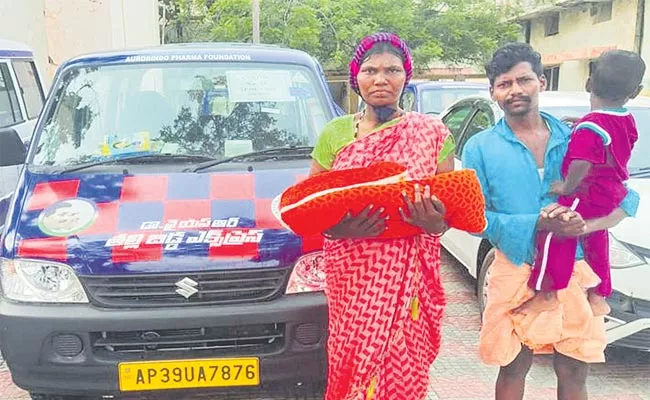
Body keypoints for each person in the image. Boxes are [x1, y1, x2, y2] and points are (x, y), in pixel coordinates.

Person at [461, 42, 640, 400]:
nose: (515, 90)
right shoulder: (480, 148)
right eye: (504, 83)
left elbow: (621, 193)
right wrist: (537, 224)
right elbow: (474, 218)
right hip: (514, 268)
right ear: (492, 92)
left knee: (574, 368)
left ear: (541, 81)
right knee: (513, 366)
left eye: (524, 79)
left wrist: (584, 226)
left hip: (575, 270)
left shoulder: (575, 136)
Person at [310, 32, 455, 400]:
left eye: (392, 70)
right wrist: (340, 227)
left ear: (406, 76)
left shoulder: (432, 133)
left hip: (410, 272)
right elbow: (311, 206)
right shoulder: (336, 133)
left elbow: (449, 212)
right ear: (355, 76)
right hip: (352, 274)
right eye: (370, 70)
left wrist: (432, 223)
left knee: (404, 362)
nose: (380, 79)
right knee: (352, 356)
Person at [520, 50, 646, 317]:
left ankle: (546, 292)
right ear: (636, 92)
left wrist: (565, 187)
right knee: (595, 237)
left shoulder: (591, 127)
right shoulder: (625, 119)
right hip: (611, 192)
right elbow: (611, 139)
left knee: (556, 230)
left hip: (587, 191)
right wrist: (582, 125)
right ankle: (599, 294)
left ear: (589, 83)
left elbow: (582, 163)